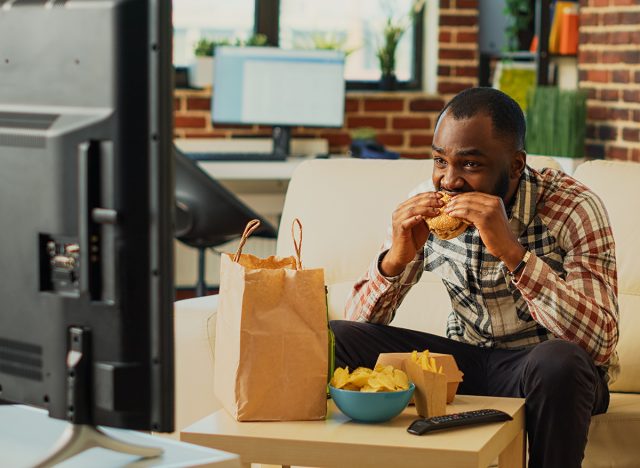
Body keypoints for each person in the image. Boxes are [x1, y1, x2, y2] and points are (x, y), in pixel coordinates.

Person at [330, 87, 619, 468]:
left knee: (559, 362)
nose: (448, 181)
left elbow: (600, 343)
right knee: (336, 338)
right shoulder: (424, 205)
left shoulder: (573, 208)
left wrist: (514, 255)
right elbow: (358, 323)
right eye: (439, 161)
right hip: (462, 363)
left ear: (516, 166)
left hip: (540, 370)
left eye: (470, 165)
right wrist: (395, 261)